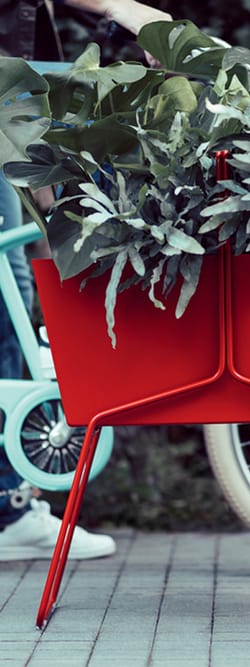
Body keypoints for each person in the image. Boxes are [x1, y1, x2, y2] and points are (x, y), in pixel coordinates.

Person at [0, 0, 172, 560]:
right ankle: (6, 509)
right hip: (7, 87)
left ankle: (7, 508)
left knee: (15, 288)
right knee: (10, 299)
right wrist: (124, 8)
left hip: (8, 89)